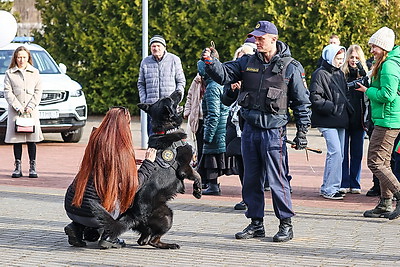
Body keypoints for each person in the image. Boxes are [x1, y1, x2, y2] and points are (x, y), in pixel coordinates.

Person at [202, 20, 311, 242]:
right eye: (255, 38)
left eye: (261, 38)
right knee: (251, 179)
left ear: (274, 39)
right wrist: (211, 62)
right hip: (249, 129)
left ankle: (285, 224)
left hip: (274, 131)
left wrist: (302, 132)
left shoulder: (291, 66)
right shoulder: (246, 62)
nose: (257, 41)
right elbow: (223, 75)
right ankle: (256, 223)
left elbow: (302, 102)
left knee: (278, 179)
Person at [64, 107, 157, 248]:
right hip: (95, 216)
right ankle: (109, 236)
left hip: (71, 208)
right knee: (128, 197)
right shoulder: (122, 148)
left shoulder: (95, 138)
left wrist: (130, 163)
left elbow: (106, 163)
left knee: (93, 194)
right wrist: (148, 164)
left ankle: (76, 228)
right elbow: (133, 185)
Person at [356, 27, 400, 220]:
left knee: (374, 162)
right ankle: (384, 203)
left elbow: (388, 95)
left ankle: (397, 194)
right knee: (384, 162)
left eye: (374, 46)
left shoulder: (389, 65)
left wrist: (367, 90)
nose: (371, 49)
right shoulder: (385, 63)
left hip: (388, 120)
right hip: (385, 118)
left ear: (383, 47)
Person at [309, 44, 351, 200]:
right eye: (337, 59)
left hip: (339, 119)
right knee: (336, 152)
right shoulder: (319, 74)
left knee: (339, 155)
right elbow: (315, 98)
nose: (340, 62)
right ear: (329, 57)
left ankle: (332, 186)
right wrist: (333, 107)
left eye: (341, 59)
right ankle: (329, 188)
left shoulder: (339, 73)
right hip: (327, 119)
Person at [3, 46, 43, 178]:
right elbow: (8, 92)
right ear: (15, 58)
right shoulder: (10, 73)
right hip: (17, 112)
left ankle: (32, 166)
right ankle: (17, 167)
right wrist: (17, 106)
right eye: (19, 57)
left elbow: (38, 91)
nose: (21, 60)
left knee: (32, 140)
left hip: (31, 112)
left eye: (24, 57)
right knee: (17, 140)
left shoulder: (35, 72)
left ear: (28, 58)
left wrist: (31, 106)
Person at [138, 35, 186, 136]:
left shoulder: (174, 60)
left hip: (169, 109)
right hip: (153, 110)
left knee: (171, 140)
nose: (156, 48)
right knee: (153, 138)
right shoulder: (145, 62)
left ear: (164, 47)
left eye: (158, 45)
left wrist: (176, 99)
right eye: (153, 46)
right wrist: (144, 101)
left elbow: (181, 82)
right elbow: (141, 83)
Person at [197, 56, 229, 195]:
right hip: (223, 128)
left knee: (211, 157)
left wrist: (207, 135)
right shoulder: (220, 83)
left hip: (216, 130)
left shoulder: (212, 87)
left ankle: (213, 186)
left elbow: (213, 114)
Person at [340, 45, 369, 194]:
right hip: (344, 120)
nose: (354, 60)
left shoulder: (365, 76)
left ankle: (355, 183)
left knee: (357, 153)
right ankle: (344, 182)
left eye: (357, 58)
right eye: (351, 57)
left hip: (359, 121)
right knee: (343, 153)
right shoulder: (341, 75)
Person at [183, 73, 206, 169]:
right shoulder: (197, 80)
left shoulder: (215, 80)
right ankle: (199, 167)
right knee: (199, 145)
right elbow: (190, 96)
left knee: (207, 147)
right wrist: (187, 111)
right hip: (197, 118)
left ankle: (206, 170)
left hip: (209, 118)